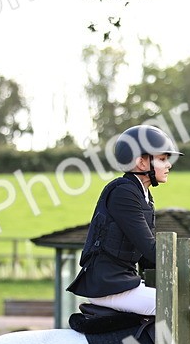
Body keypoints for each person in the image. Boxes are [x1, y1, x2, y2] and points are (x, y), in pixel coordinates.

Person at [67, 124, 180, 316]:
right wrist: (187, 261)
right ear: (142, 163)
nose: (168, 165)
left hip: (123, 281)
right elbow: (150, 248)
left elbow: (146, 258)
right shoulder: (124, 192)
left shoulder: (143, 195)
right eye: (162, 159)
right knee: (174, 306)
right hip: (108, 285)